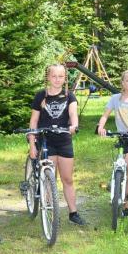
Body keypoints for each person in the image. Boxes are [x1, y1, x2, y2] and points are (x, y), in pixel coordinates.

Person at [29, 63, 87, 225]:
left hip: (63, 139)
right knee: (50, 178)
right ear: (48, 77)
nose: (57, 79)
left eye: (60, 76)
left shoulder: (70, 96)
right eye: (54, 76)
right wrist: (32, 143)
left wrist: (74, 126)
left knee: (67, 179)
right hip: (46, 140)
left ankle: (73, 213)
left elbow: (73, 115)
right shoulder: (40, 96)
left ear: (65, 78)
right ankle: (49, 209)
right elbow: (33, 121)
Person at [96, 70, 128, 216]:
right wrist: (101, 127)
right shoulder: (115, 99)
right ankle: (126, 205)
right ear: (122, 83)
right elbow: (105, 115)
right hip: (125, 139)